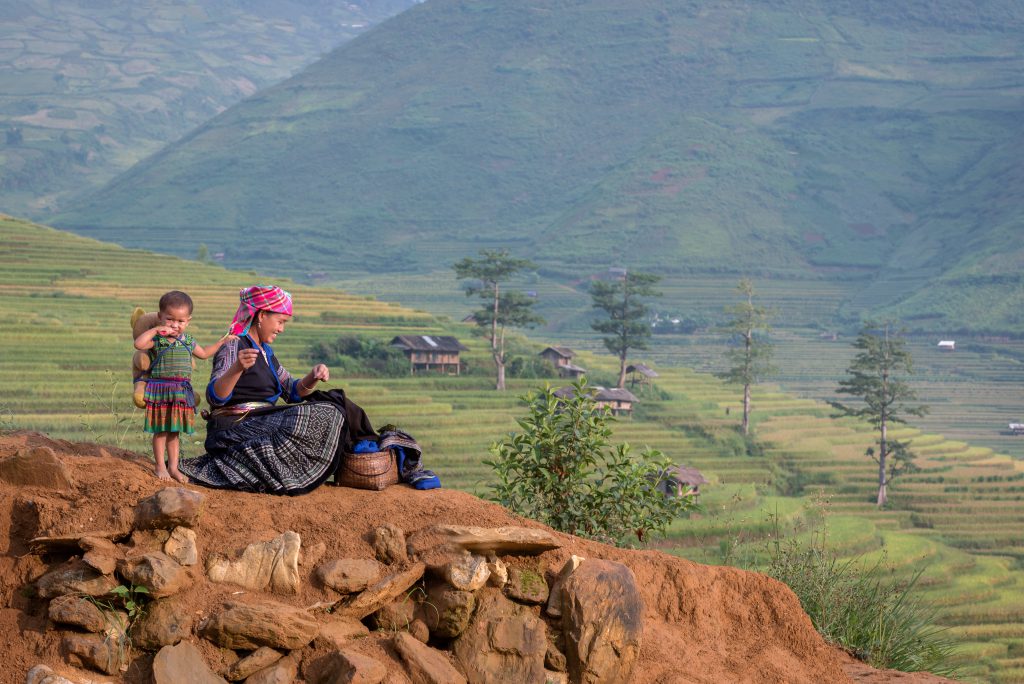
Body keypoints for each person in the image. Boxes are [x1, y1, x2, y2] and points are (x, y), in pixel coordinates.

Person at [177, 285, 347, 495]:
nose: (281, 329)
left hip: (261, 420)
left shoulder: (266, 352)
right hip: (235, 427)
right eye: (280, 322)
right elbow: (215, 397)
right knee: (328, 411)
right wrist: (237, 368)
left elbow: (292, 391)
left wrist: (313, 376)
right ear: (262, 315)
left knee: (333, 404)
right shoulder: (234, 345)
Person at [134, 290, 235, 482]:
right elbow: (139, 344)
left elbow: (204, 353)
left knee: (174, 432)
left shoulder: (187, 340)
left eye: (180, 321)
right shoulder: (157, 340)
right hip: (161, 389)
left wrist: (223, 342)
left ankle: (173, 467)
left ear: (188, 321)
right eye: (169, 319)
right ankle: (160, 466)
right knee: (161, 431)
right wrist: (156, 330)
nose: (175, 325)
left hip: (180, 391)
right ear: (160, 317)